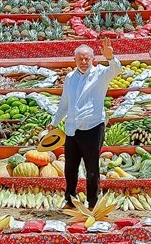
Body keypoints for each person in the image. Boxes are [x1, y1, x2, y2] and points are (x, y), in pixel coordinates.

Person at [48, 37, 121, 210]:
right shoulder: (70, 77)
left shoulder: (101, 73)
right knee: (70, 168)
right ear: (74, 60)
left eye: (87, 58)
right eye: (80, 58)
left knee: (92, 168)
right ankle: (70, 200)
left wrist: (111, 57)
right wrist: (54, 121)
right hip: (72, 129)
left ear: (93, 59)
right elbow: (64, 102)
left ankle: (92, 203)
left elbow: (116, 70)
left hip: (93, 127)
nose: (83, 62)